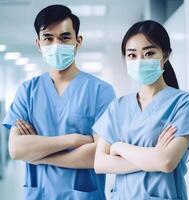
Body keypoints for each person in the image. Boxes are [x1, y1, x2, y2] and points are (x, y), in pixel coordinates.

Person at [2, 5, 115, 200]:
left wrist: (38, 154)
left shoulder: (101, 91)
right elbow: (17, 149)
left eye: (64, 38)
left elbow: (99, 153)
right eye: (48, 38)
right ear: (38, 43)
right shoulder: (27, 91)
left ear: (77, 42)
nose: (56, 45)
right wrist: (74, 139)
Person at [93, 20, 189, 200]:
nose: (139, 61)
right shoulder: (118, 106)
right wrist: (153, 158)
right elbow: (100, 163)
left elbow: (166, 162)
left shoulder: (184, 103)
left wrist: (119, 146)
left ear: (165, 56)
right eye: (132, 55)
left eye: (149, 53)